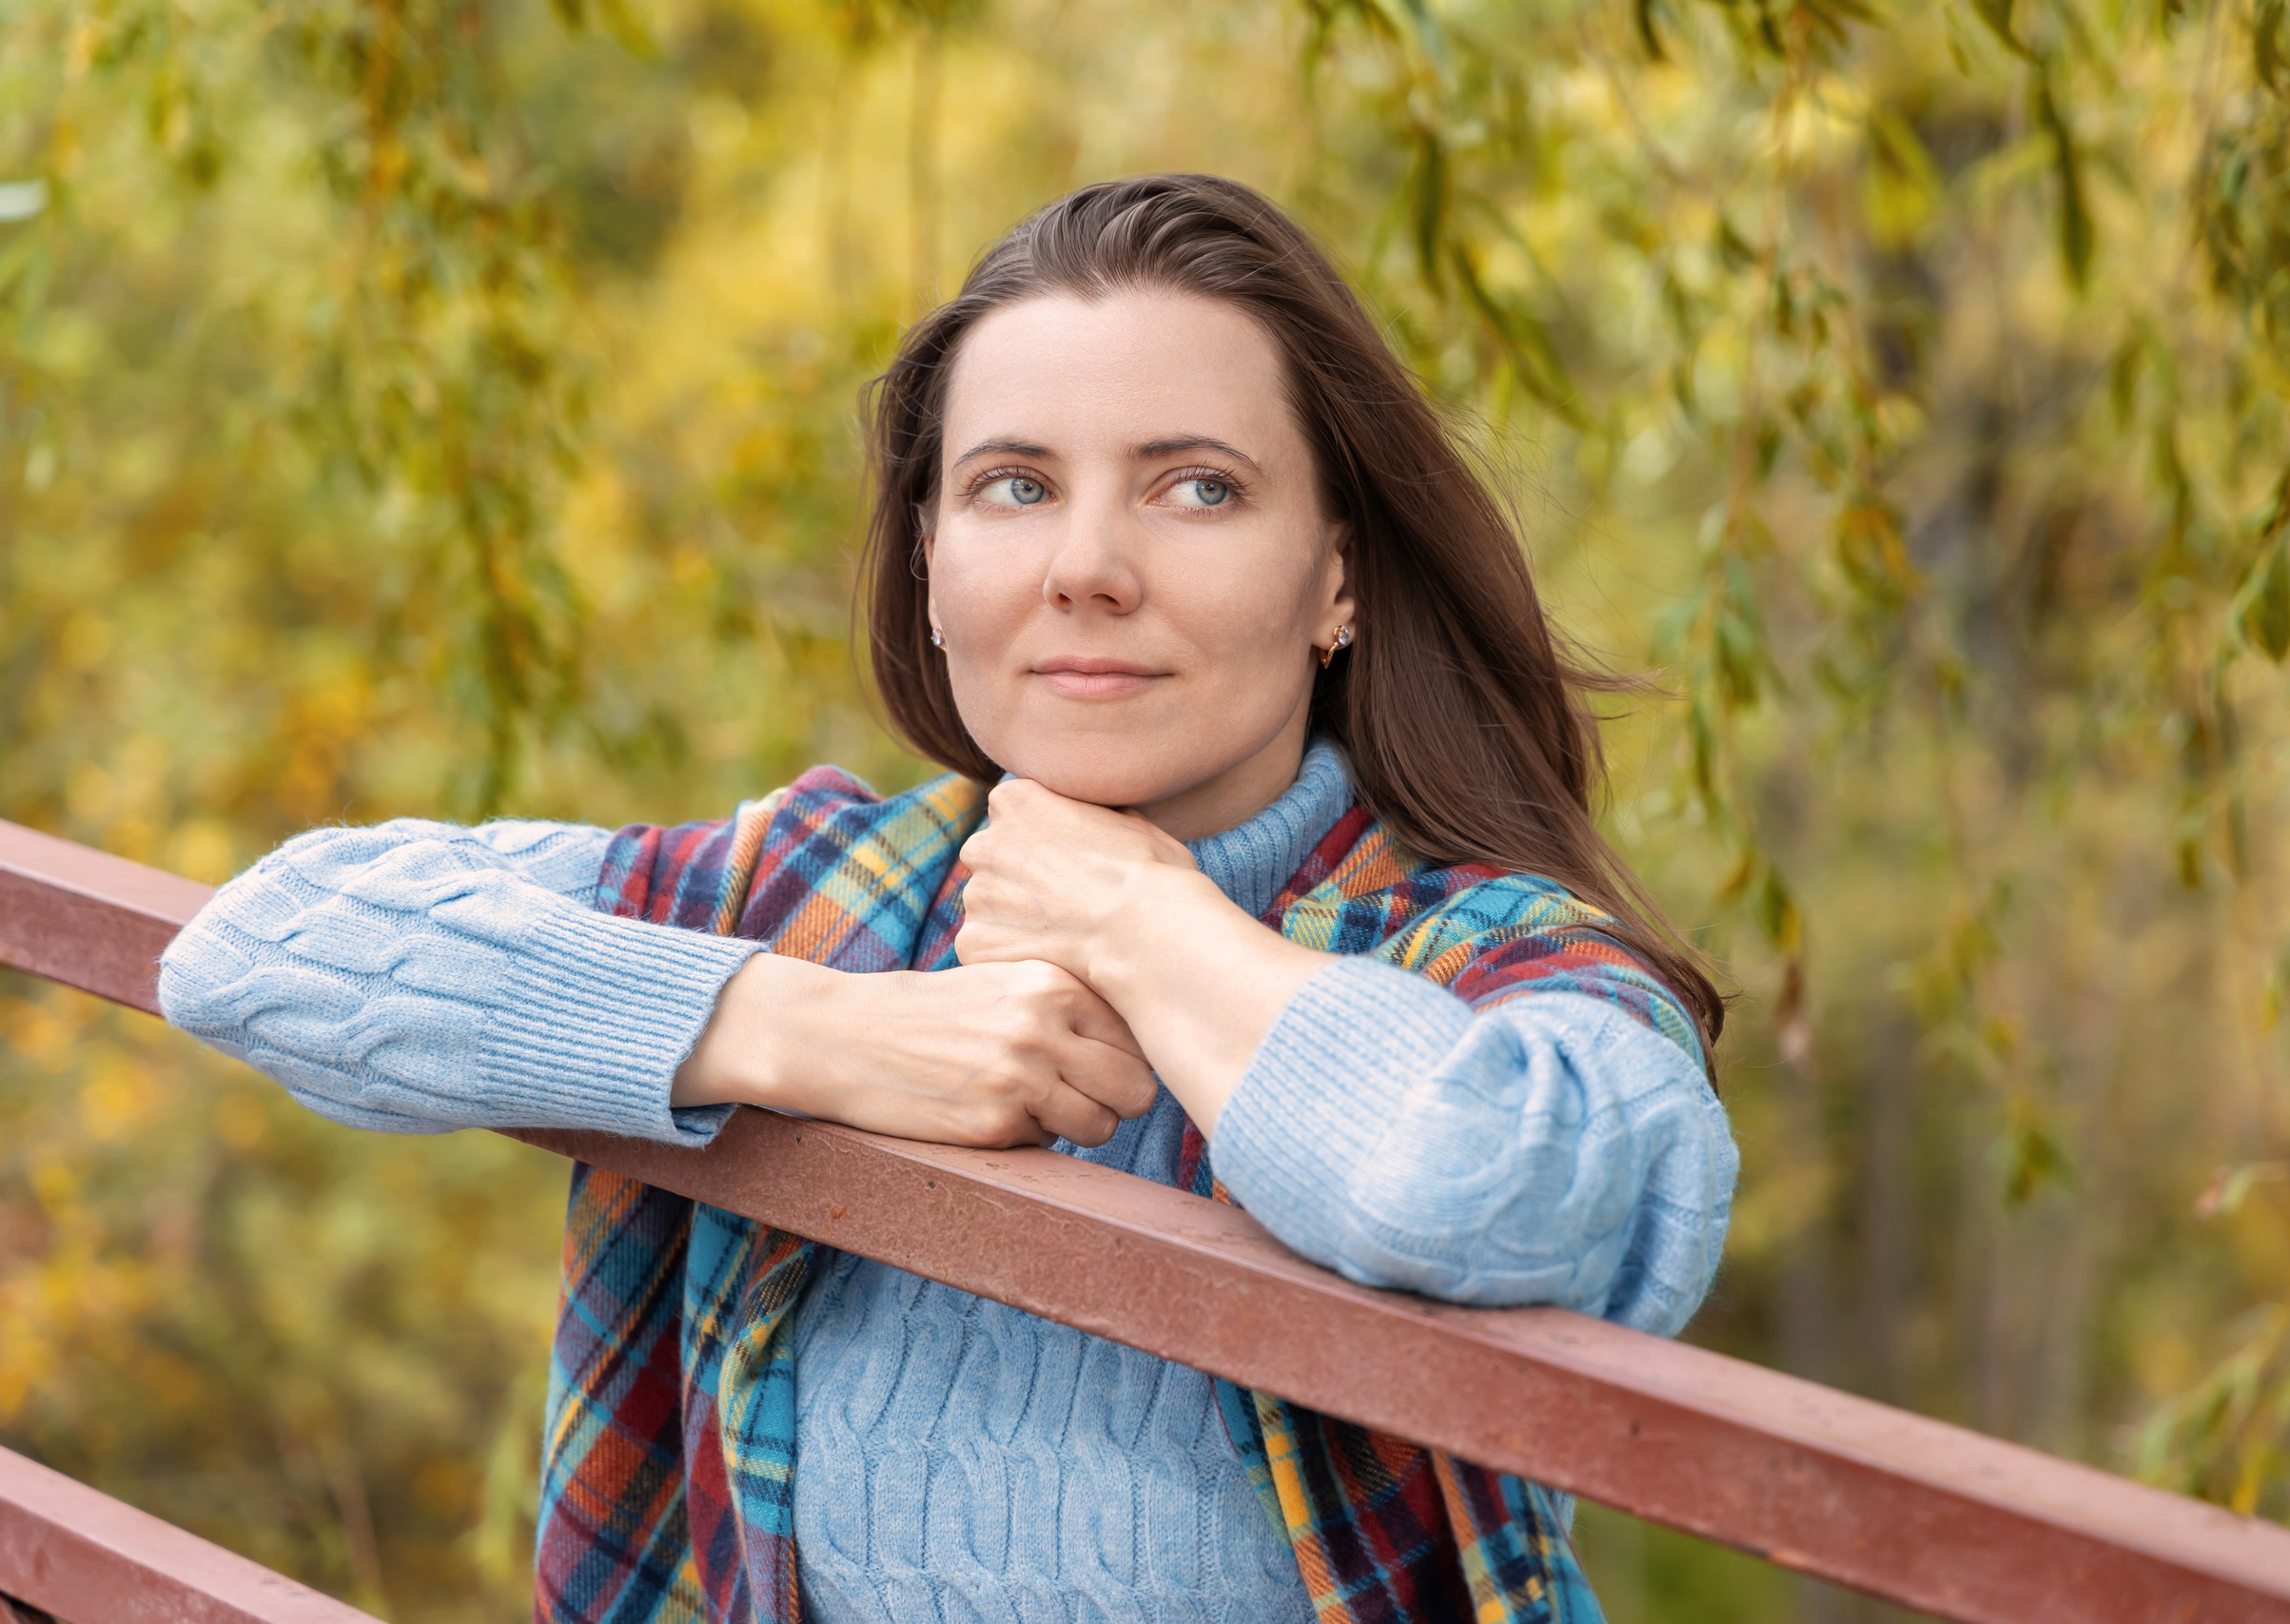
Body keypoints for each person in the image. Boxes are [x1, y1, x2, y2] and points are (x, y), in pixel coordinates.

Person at [158, 173, 1737, 1624]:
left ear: (1338, 573)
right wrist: (802, 1031)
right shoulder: (826, 896)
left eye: (1195, 489)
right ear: (928, 561)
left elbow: (1494, 1192)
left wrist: (1140, 919)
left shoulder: (1480, 959)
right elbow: (260, 949)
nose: (1089, 568)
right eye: (1012, 487)